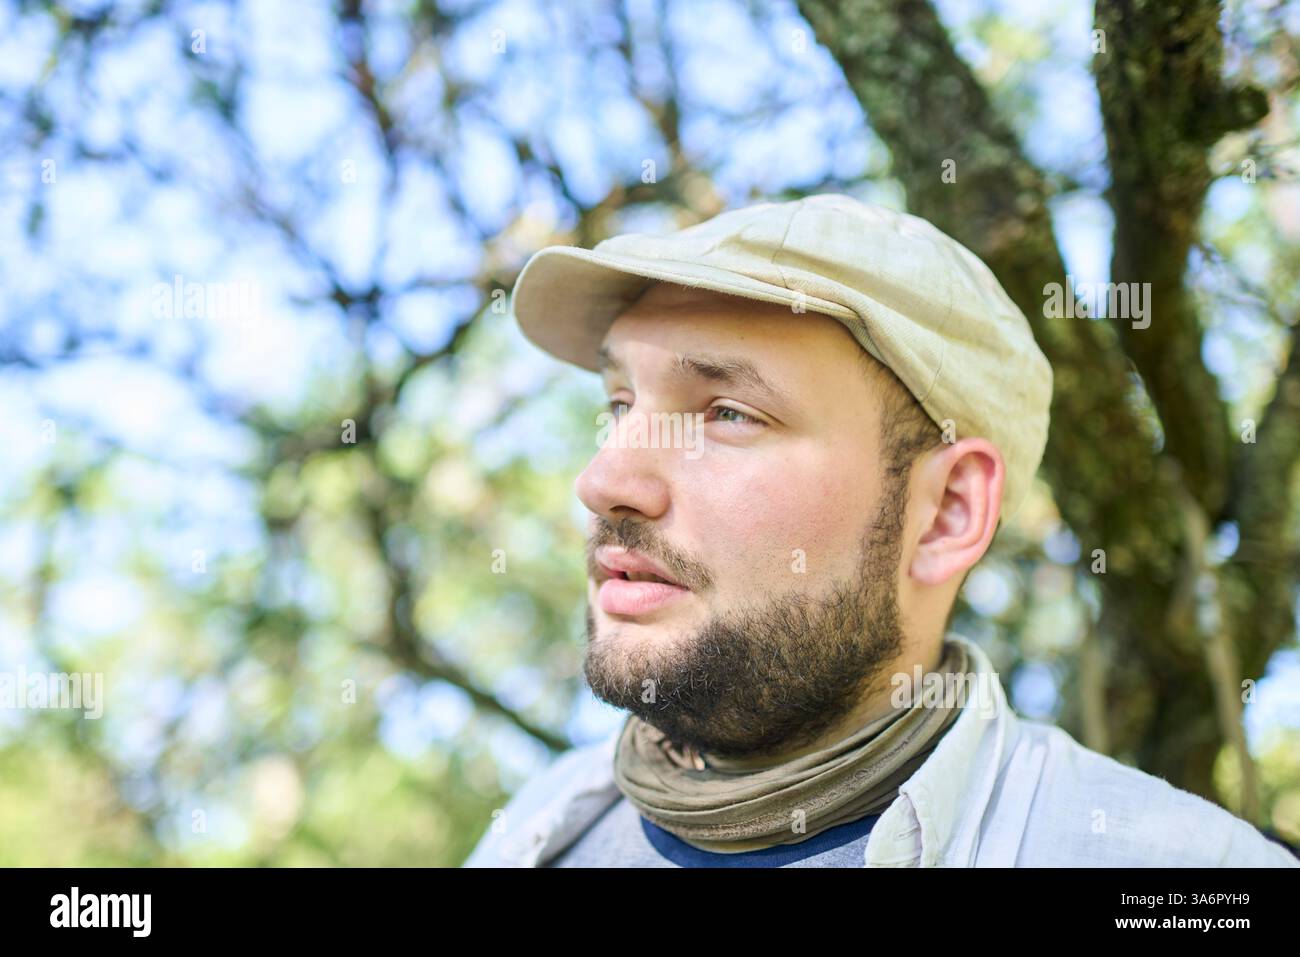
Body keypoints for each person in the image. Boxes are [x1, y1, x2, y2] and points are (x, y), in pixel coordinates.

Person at [463, 194, 1298, 867]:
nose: (603, 481)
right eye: (618, 405)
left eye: (725, 413)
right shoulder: (534, 827)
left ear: (946, 512)